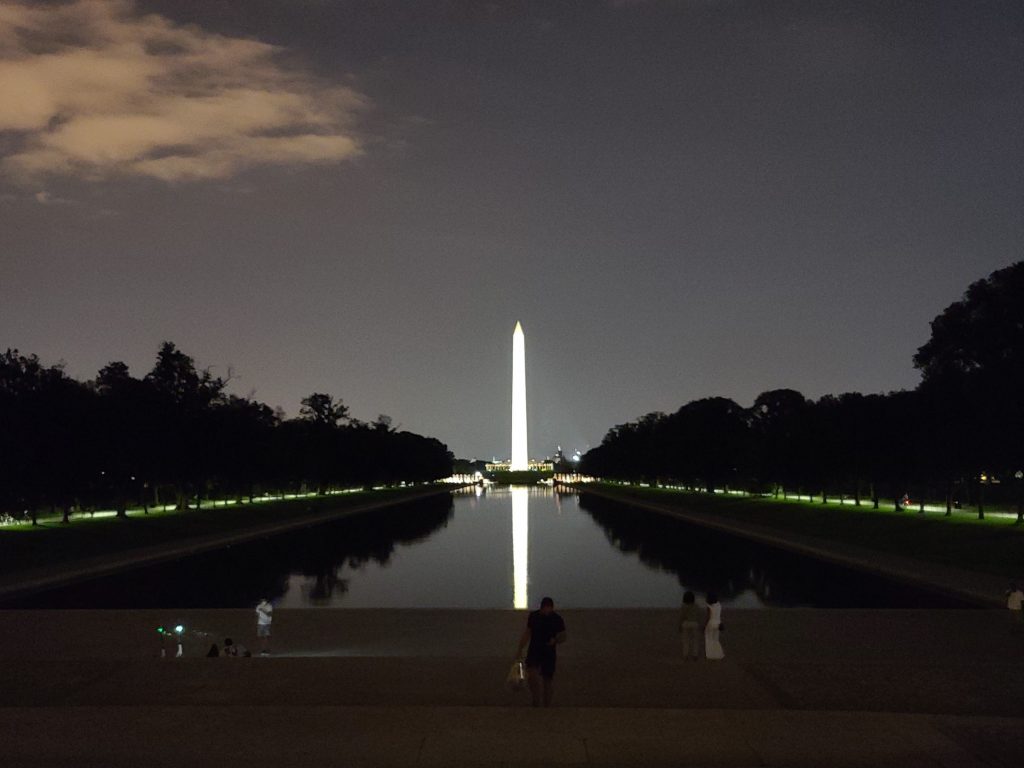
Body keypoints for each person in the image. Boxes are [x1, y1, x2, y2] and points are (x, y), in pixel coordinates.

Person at [515, 596, 567, 707]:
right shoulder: (534, 617)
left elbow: (563, 636)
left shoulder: (557, 619)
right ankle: (536, 700)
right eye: (546, 608)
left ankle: (547, 704)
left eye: (549, 608)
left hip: (549, 652)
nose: (547, 611)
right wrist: (520, 648)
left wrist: (555, 640)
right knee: (532, 675)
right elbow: (528, 633)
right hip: (535, 649)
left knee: (547, 679)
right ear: (542, 608)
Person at [678, 590, 700, 660]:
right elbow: (698, 615)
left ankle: (686, 655)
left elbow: (682, 616)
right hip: (694, 623)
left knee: (686, 640)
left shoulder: (683, 606)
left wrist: (679, 625)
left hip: (686, 623)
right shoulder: (696, 606)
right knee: (695, 640)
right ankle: (695, 655)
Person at [704, 591, 724, 660]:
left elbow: (708, 617)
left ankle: (711, 655)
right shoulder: (719, 605)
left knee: (709, 639)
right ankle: (718, 654)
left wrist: (704, 625)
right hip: (718, 623)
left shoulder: (709, 606)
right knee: (716, 639)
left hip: (711, 623)